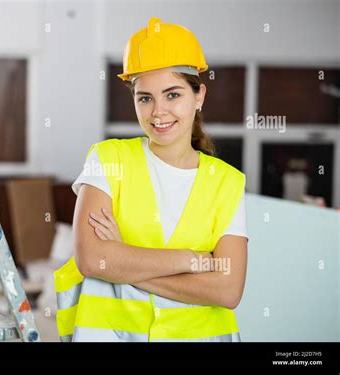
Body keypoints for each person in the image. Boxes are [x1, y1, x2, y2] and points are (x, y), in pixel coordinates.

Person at [54, 17, 248, 342]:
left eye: (172, 95)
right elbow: (92, 259)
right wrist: (189, 260)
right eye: (145, 98)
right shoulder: (109, 159)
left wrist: (125, 260)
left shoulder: (227, 183)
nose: (158, 112)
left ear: (199, 96)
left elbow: (228, 290)